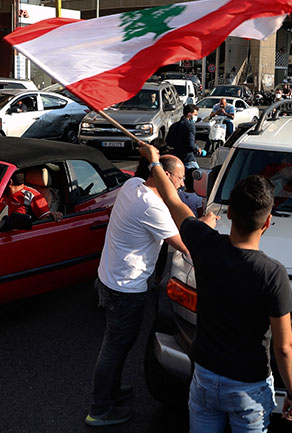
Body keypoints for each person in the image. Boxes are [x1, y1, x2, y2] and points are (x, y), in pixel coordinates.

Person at [137, 143, 292, 432]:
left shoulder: (204, 244)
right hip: (248, 387)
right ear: (268, 222)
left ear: (230, 214)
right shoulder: (273, 274)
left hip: (205, 377)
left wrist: (153, 163)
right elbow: (284, 346)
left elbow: (174, 202)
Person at [85, 155, 190, 426]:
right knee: (114, 348)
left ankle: (111, 391)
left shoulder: (133, 187)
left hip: (108, 278)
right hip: (126, 290)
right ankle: (99, 410)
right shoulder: (151, 206)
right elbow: (186, 244)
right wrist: (209, 225)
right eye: (179, 179)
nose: (182, 184)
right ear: (164, 176)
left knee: (116, 344)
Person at [168, 104, 203, 171]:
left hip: (176, 158)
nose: (196, 117)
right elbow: (191, 144)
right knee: (198, 176)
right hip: (188, 159)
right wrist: (198, 149)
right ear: (189, 114)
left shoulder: (174, 125)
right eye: (195, 115)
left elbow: (169, 142)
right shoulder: (190, 126)